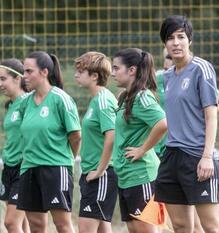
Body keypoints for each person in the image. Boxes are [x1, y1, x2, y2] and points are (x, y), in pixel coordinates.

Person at [155, 15, 219, 233]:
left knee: (211, 227)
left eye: (181, 37)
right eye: (170, 38)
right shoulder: (167, 77)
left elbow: (211, 115)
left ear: (190, 40)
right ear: (165, 44)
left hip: (197, 157)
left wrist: (206, 156)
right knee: (181, 226)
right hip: (172, 157)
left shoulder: (201, 69)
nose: (176, 43)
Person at [17, 51, 81, 233]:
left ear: (44, 72)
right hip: (29, 168)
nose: (25, 76)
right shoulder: (25, 103)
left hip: (56, 168)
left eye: (29, 71)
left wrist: (66, 160)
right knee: (36, 226)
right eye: (24, 71)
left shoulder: (61, 99)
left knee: (62, 225)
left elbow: (76, 136)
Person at [111, 48, 167, 233]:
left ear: (132, 70)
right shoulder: (126, 97)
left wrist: (142, 149)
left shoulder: (142, 97)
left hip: (142, 175)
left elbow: (162, 123)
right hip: (127, 176)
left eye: (116, 68)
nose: (113, 73)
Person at [74, 52, 118, 233]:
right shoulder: (96, 100)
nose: (76, 74)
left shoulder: (103, 100)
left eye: (81, 71)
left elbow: (112, 135)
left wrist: (100, 169)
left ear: (94, 76)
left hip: (102, 175)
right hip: (92, 173)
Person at [0, 59, 31, 233]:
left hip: (23, 168)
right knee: (22, 223)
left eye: (3, 79)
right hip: (9, 167)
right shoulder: (10, 105)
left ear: (17, 79)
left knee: (10, 223)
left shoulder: (28, 103)